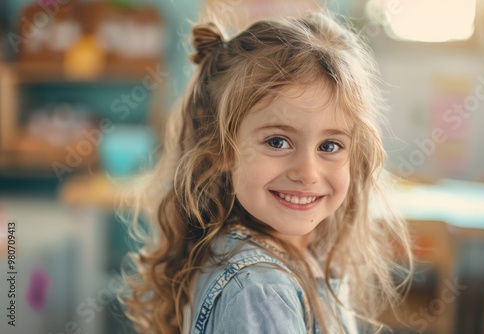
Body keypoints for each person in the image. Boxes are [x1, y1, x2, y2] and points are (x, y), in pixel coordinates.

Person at [120, 9, 413, 334]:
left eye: (329, 146)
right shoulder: (260, 290)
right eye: (277, 141)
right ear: (222, 150)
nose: (308, 172)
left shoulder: (297, 254)